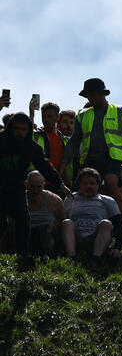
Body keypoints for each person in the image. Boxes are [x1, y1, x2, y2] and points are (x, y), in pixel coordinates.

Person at [60, 78, 122, 218]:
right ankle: (83, 222)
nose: (91, 98)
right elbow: (74, 141)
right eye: (88, 95)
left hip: (114, 159)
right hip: (90, 159)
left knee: (111, 183)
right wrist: (64, 162)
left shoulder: (120, 111)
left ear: (102, 94)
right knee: (83, 188)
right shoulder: (82, 115)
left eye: (93, 94)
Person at [1, 113, 71, 264]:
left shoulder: (30, 146)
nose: (20, 132)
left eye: (23, 129)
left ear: (28, 130)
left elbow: (45, 166)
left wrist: (60, 185)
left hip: (16, 187)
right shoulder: (1, 140)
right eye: (16, 129)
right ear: (10, 128)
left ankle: (22, 256)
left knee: (23, 219)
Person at [61, 167, 122, 268]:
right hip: (76, 238)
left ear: (98, 185)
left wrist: (117, 248)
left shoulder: (107, 201)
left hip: (96, 239)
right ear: (80, 185)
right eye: (85, 183)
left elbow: (120, 227)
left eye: (92, 183)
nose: (88, 186)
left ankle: (95, 260)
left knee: (106, 223)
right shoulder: (70, 199)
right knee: (67, 222)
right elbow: (62, 222)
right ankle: (71, 258)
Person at [25, 170, 65, 256]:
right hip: (27, 234)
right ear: (26, 184)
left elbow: (62, 221)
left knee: (44, 233)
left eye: (39, 187)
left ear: (44, 185)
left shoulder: (54, 200)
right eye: (32, 187)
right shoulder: (21, 200)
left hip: (47, 236)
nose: (35, 191)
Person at [31, 102, 68, 187]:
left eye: (49, 116)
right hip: (39, 184)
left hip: (61, 184)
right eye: (44, 116)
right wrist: (32, 114)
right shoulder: (36, 135)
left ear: (58, 118)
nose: (46, 119)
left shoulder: (65, 140)